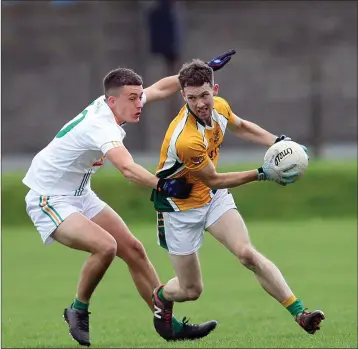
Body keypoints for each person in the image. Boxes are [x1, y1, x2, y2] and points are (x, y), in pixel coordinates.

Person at [22, 51, 236, 347]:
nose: (139, 104)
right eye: (133, 99)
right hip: (49, 198)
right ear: (113, 101)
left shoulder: (115, 103)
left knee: (133, 249)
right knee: (106, 247)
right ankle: (77, 309)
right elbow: (126, 168)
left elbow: (160, 89)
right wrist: (163, 186)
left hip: (79, 193)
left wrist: (200, 71)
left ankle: (168, 325)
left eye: (139, 97)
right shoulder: (103, 127)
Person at [150, 59, 325, 340]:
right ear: (182, 96)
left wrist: (279, 142)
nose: (200, 103)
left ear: (214, 90)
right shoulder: (186, 139)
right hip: (179, 209)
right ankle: (161, 296)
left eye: (205, 95)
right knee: (191, 290)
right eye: (192, 98)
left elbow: (241, 126)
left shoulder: (220, 107)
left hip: (212, 199)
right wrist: (262, 174)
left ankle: (300, 314)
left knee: (246, 254)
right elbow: (215, 179)